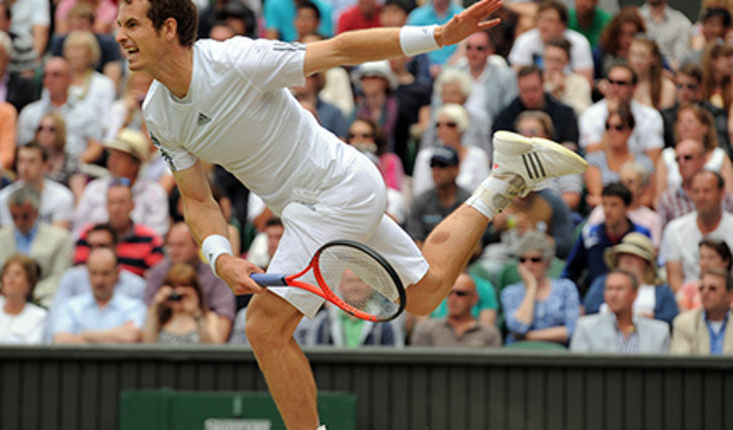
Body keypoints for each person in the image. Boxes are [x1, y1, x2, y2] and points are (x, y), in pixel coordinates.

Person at [117, 0, 586, 426]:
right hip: (311, 208)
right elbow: (197, 199)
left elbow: (340, 49)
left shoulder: (235, 60)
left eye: (132, 24)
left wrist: (439, 36)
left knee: (263, 326)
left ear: (169, 28)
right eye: (119, 25)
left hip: (336, 188)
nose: (120, 35)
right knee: (424, 294)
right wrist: (221, 258)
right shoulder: (158, 113)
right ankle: (504, 178)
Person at [0, 185, 74, 306]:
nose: (20, 222)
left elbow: (59, 279)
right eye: (14, 216)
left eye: (25, 216)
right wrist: (8, 294)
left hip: (44, 301)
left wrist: (26, 294)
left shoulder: (61, 239)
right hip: (3, 302)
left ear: (36, 212)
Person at [144, 222, 236, 340]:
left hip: (203, 336)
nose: (174, 251)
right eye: (171, 245)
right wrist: (157, 306)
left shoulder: (215, 276)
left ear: (197, 246)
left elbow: (222, 326)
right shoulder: (157, 272)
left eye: (180, 245)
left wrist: (197, 313)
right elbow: (147, 336)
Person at [71, 129, 170, 238]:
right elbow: (78, 231)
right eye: (112, 155)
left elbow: (157, 235)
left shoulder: (154, 194)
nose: (112, 161)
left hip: (138, 247)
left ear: (136, 164)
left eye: (120, 157)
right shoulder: (94, 189)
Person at [565, 183, 652, 292]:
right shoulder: (590, 233)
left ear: (626, 208)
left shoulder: (641, 234)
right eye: (604, 204)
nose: (607, 210)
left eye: (614, 205)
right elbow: (571, 272)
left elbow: (650, 271)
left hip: (634, 295)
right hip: (596, 295)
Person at [16, 57, 104, 163]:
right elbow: (22, 146)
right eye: (46, 75)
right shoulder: (29, 112)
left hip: (77, 167)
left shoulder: (87, 112)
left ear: (70, 79)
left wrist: (71, 166)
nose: (50, 80)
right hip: (38, 168)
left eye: (56, 75)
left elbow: (95, 148)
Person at [501, 231, 581, 346]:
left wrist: (527, 337)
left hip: (557, 353)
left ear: (547, 262)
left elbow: (572, 331)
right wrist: (531, 288)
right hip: (520, 353)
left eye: (535, 260)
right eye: (522, 260)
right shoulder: (510, 292)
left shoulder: (566, 288)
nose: (528, 265)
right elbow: (518, 328)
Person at [51, 247, 146, 344]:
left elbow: (132, 336)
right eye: (94, 273)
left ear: (117, 274)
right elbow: (60, 340)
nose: (99, 281)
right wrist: (117, 336)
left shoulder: (133, 307)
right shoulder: (70, 307)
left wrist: (86, 335)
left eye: (105, 273)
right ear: (87, 273)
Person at [583, 232, 679, 325]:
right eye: (623, 254)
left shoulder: (661, 289)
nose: (627, 259)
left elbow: (671, 317)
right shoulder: (603, 283)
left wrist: (652, 319)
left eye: (634, 255)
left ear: (646, 262)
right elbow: (590, 310)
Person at [661, 170, 733, 293]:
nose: (701, 197)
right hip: (688, 299)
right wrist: (691, 301)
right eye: (696, 191)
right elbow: (674, 281)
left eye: (707, 191)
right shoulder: (675, 229)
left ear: (721, 193)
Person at [72, 182, 164, 277]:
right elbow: (79, 272)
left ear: (133, 205)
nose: (116, 208)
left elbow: (155, 277)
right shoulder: (90, 234)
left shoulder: (150, 239)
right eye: (112, 202)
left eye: (122, 202)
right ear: (106, 206)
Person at [570, 270, 671, 353]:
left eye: (620, 289)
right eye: (609, 289)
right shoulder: (586, 328)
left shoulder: (659, 332)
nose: (613, 294)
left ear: (634, 294)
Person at [579, 63, 664, 162]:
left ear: (634, 88)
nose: (614, 88)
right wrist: (610, 116)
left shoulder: (651, 116)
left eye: (621, 83)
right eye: (611, 82)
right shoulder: (590, 114)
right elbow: (593, 156)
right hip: (603, 170)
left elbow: (653, 159)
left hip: (639, 169)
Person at [655, 106, 733, 200]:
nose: (684, 126)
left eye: (690, 122)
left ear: (705, 127)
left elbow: (729, 194)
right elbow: (658, 198)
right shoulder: (667, 156)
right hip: (675, 207)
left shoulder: (719, 156)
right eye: (680, 122)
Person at [584, 105, 655, 207]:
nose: (612, 132)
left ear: (630, 131)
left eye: (619, 128)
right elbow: (596, 195)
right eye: (608, 127)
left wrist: (612, 204)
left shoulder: (644, 162)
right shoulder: (594, 160)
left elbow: (647, 199)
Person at [507, 1, 594, 85]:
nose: (544, 25)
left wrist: (563, 83)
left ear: (562, 26)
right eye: (540, 19)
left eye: (550, 20)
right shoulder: (524, 40)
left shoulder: (579, 43)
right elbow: (516, 78)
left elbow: (586, 83)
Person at [492, 65, 579, 148]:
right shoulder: (506, 117)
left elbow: (571, 144)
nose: (530, 95)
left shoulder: (564, 114)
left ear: (543, 85)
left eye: (534, 89)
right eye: (525, 90)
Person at [0, 255, 47, 345]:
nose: (11, 278)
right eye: (7, 273)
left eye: (17, 274)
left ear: (29, 284)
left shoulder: (40, 316)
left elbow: (32, 348)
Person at [413, 103, 489, 195]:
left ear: (462, 127)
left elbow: (483, 193)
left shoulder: (478, 156)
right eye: (438, 125)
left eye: (450, 125)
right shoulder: (425, 156)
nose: (443, 129)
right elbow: (419, 192)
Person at [0, 142, 75, 230]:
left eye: (32, 161)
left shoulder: (62, 196)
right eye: (21, 161)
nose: (25, 167)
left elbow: (59, 235)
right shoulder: (4, 197)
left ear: (45, 165)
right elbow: (7, 233)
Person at [411, 273, 502, 347]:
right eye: (449, 293)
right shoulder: (426, 330)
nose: (453, 298)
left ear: (474, 299)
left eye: (460, 293)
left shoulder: (489, 334)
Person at [656, 139, 733, 226]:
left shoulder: (720, 194)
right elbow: (663, 232)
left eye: (687, 157)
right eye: (677, 159)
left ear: (703, 159)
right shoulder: (668, 199)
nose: (681, 162)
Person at [143, 263, 226, 344]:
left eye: (184, 286)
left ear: (195, 290)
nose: (178, 292)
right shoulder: (160, 318)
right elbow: (148, 344)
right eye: (174, 287)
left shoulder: (208, 317)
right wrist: (156, 306)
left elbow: (213, 347)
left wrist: (196, 313)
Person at [585, 161, 663, 247]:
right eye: (622, 182)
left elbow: (653, 250)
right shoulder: (601, 211)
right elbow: (589, 239)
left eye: (630, 182)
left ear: (642, 188)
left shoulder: (653, 219)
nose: (625, 186)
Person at [406, 146, 471, 245]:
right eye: (433, 165)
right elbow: (415, 240)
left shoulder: (468, 202)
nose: (436, 171)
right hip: (426, 253)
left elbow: (476, 245)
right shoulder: (420, 201)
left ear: (456, 170)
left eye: (442, 165)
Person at [660, 64, 730, 153]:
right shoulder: (666, 116)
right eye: (680, 86)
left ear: (701, 86)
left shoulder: (715, 113)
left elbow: (723, 148)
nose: (685, 92)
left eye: (690, 87)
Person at [51, 3, 124, 88]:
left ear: (92, 26)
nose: (77, 32)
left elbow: (113, 78)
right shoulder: (60, 42)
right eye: (73, 27)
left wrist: (106, 89)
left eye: (81, 26)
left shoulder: (107, 43)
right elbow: (54, 73)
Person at [451, 30, 517, 122]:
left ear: (491, 51)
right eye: (469, 48)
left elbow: (509, 109)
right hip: (458, 126)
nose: (473, 53)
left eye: (479, 48)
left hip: (492, 125)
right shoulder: (454, 74)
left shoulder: (505, 77)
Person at [671, 268, 733, 355]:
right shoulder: (684, 323)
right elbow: (680, 361)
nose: (705, 292)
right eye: (701, 288)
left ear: (730, 295)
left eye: (712, 289)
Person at [63, 30, 116, 131]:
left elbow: (106, 121)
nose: (74, 55)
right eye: (70, 49)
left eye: (79, 49)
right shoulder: (57, 80)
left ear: (90, 54)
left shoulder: (104, 84)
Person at [33, 112, 87, 199]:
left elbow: (79, 197)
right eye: (40, 129)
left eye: (51, 129)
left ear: (60, 132)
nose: (45, 133)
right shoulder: (30, 157)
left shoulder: (71, 161)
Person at [677, 239, 733, 311]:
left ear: (726, 261)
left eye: (711, 258)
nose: (705, 263)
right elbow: (683, 315)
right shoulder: (688, 289)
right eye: (702, 257)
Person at [592, 6, 645, 82]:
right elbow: (591, 78)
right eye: (622, 33)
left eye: (631, 34)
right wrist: (599, 83)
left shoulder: (646, 53)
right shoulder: (601, 52)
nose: (626, 39)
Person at [405, 0, 464, 68]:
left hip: (456, 67)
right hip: (422, 67)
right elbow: (410, 48)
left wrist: (446, 68)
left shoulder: (462, 15)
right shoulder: (416, 17)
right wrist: (428, 66)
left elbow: (464, 47)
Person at [542, 37, 592, 116]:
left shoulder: (580, 82)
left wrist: (563, 92)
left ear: (566, 61)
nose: (553, 65)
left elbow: (585, 112)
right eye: (549, 59)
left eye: (558, 60)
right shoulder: (538, 82)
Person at [638, 0, 692, 71]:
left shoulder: (681, 22)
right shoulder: (636, 17)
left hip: (670, 71)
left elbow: (680, 57)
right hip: (639, 69)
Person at [628, 36, 676, 110]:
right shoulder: (624, 84)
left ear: (654, 58)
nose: (637, 61)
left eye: (642, 56)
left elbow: (666, 115)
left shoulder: (666, 86)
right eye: (633, 54)